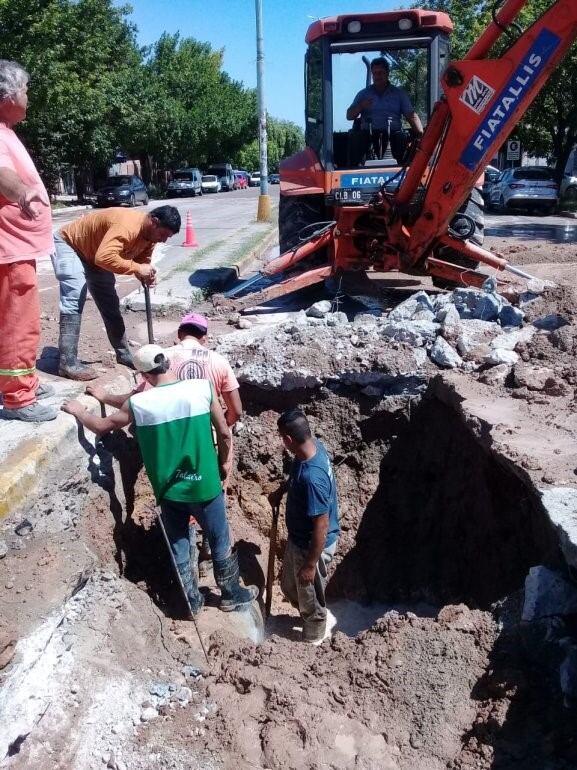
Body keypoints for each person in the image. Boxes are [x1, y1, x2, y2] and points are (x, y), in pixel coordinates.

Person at [62, 344, 257, 617]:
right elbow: (224, 434)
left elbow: (102, 426)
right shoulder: (201, 389)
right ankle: (231, 595)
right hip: (205, 485)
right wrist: (224, 461)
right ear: (167, 363)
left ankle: (190, 601)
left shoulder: (139, 403)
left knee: (178, 542)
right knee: (219, 538)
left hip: (169, 491)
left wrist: (80, 412)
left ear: (143, 375)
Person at [85, 312, 243, 574]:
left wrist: (100, 398)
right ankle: (218, 574)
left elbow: (129, 404)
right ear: (204, 336)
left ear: (180, 333)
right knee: (215, 522)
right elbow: (234, 413)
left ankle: (188, 582)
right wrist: (218, 445)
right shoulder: (214, 367)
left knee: (179, 525)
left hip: (168, 468)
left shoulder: (148, 382)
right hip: (205, 452)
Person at [51, 205, 181, 380]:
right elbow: (105, 258)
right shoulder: (127, 226)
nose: (163, 240)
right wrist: (137, 268)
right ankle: (67, 362)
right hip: (71, 245)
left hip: (96, 254)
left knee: (110, 302)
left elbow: (142, 260)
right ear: (154, 222)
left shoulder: (149, 236)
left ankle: (123, 353)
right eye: (163, 235)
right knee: (75, 294)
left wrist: (145, 274)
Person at [0, 60, 56, 422]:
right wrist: (22, 194)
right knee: (19, 322)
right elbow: (1, 174)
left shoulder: (6, 130)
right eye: (24, 90)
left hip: (16, 248)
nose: (28, 97)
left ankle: (22, 381)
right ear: (6, 96)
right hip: (11, 250)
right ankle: (19, 396)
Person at [271, 409, 340, 644]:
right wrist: (282, 491)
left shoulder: (313, 478)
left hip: (312, 546)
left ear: (289, 440)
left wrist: (310, 565)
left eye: (282, 437)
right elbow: (295, 475)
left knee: (310, 599)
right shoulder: (311, 448)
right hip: (298, 539)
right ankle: (311, 614)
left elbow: (321, 524)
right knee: (290, 587)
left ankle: (313, 639)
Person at [346, 57, 424, 165]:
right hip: (368, 137)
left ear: (388, 73)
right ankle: (354, 171)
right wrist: (360, 106)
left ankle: (403, 169)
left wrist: (421, 134)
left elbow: (411, 115)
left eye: (381, 73)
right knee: (356, 138)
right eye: (375, 73)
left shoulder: (399, 94)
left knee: (402, 138)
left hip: (394, 136)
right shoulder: (363, 94)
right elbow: (349, 116)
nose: (378, 76)